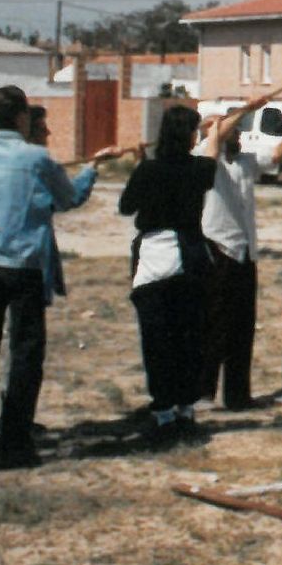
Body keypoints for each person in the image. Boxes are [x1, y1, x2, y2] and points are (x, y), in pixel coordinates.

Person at [0, 85, 123, 467]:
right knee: (25, 354)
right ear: (20, 117)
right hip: (25, 267)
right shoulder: (36, 158)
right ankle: (15, 440)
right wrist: (92, 168)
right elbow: (70, 198)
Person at [119, 106, 213, 443]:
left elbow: (127, 206)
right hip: (188, 259)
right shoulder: (201, 168)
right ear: (189, 135)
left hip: (154, 261)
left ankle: (163, 412)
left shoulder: (149, 170)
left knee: (157, 341)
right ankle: (185, 408)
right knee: (189, 339)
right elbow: (211, 158)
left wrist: (140, 166)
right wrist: (215, 132)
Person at [200, 99, 282, 412]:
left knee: (242, 327)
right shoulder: (202, 156)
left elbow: (278, 155)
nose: (238, 135)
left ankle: (238, 395)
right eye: (233, 130)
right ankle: (203, 392)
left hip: (244, 252)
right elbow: (217, 133)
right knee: (214, 324)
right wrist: (247, 108)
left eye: (239, 131)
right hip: (217, 250)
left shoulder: (245, 162)